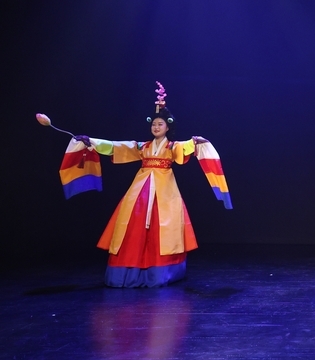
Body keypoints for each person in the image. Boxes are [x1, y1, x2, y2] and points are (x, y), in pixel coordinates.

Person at [70, 82, 230, 287]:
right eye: (154, 124)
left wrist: (195, 142)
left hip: (164, 190)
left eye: (160, 124)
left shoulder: (171, 146)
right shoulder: (142, 147)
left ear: (167, 127)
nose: (156, 127)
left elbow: (185, 148)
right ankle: (127, 272)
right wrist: (91, 141)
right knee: (132, 225)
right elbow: (116, 147)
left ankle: (160, 273)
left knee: (163, 229)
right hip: (140, 190)